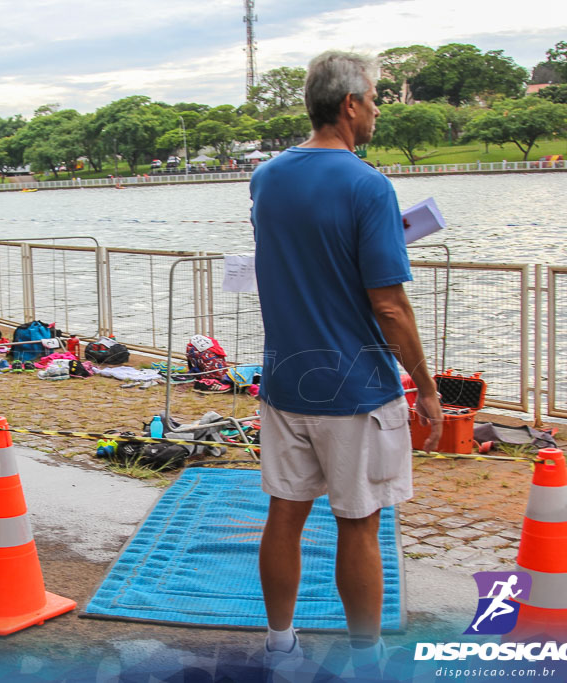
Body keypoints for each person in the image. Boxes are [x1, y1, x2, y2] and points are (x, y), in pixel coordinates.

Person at [249, 51, 442, 677]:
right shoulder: (368, 185)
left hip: (284, 380)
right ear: (350, 104)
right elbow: (388, 304)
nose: (380, 109)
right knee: (359, 524)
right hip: (355, 388)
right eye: (376, 98)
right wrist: (427, 387)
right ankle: (368, 659)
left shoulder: (267, 176)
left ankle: (281, 645)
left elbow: (305, 255)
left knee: (285, 515)